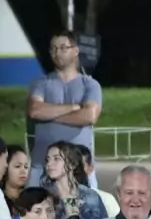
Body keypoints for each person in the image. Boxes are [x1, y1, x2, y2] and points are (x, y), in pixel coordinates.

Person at [25, 30, 102, 189]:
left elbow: (89, 116)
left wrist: (49, 115)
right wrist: (73, 109)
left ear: (75, 51)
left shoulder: (90, 84)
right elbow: (35, 110)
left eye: (62, 47)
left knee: (77, 211)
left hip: (78, 169)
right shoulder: (40, 83)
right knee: (37, 210)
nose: (57, 52)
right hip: (42, 167)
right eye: (53, 48)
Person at [40, 141, 106, 219]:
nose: (49, 164)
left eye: (56, 158)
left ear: (72, 164)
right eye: (47, 160)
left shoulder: (91, 197)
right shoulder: (42, 197)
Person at [75, 144, 119, 217]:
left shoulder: (106, 200)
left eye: (79, 166)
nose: (74, 171)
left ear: (90, 169)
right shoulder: (54, 201)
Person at [1, 144, 30, 219]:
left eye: (26, 167)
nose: (23, 171)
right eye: (17, 166)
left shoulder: (30, 198)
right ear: (5, 167)